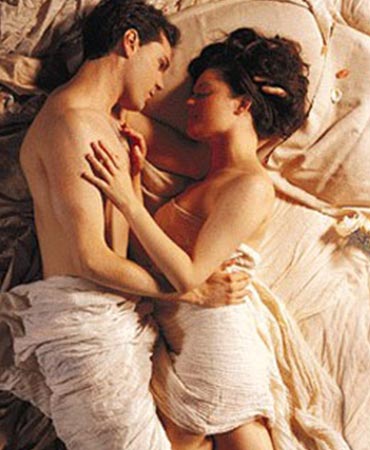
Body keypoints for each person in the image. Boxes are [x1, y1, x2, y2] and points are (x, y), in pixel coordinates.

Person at [84, 28, 350, 450]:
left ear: (242, 104)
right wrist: (133, 179)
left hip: (218, 345)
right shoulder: (207, 176)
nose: (189, 103)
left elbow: (189, 274)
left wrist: (129, 203)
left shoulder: (251, 186)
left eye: (203, 93)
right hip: (185, 344)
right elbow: (149, 261)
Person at [0, 1, 248, 449]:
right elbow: (90, 259)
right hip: (86, 326)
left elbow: (197, 163)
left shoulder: (109, 122)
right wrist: (189, 291)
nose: (161, 83)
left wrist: (133, 182)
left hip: (119, 322)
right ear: (130, 41)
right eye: (161, 63)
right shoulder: (71, 124)